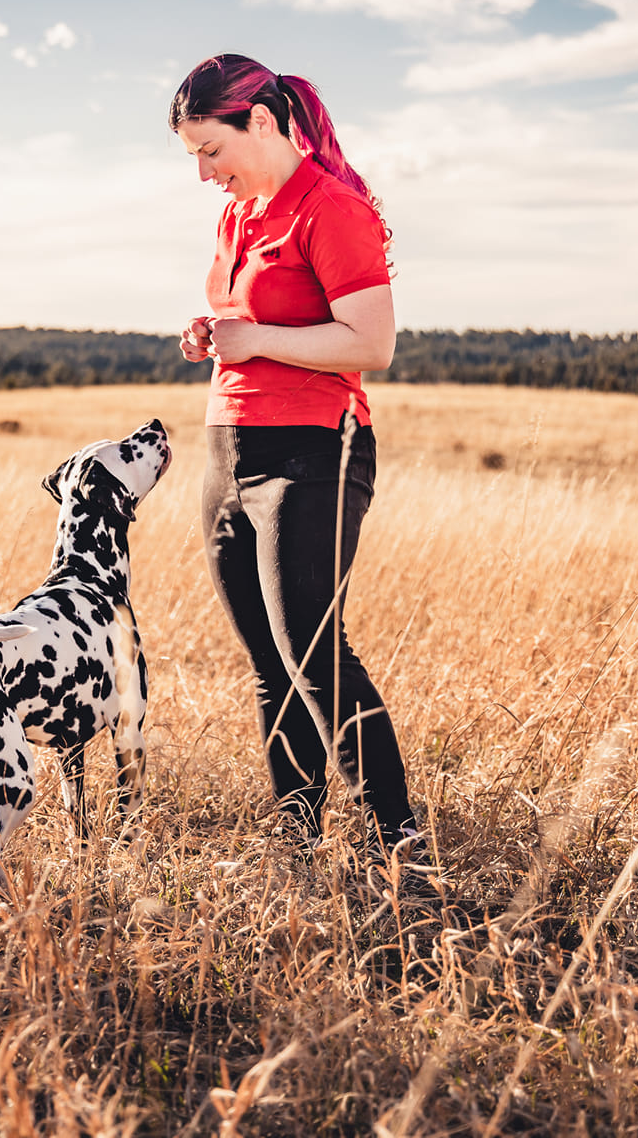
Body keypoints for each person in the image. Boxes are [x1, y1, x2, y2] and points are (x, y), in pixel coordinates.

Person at [169, 52, 424, 859]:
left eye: (213, 150)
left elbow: (373, 342)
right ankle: (298, 831)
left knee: (314, 655)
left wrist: (259, 338)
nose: (205, 173)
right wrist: (213, 335)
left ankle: (401, 845)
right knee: (267, 663)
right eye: (194, 158)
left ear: (265, 122)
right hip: (227, 449)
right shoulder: (239, 216)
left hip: (314, 453)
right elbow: (251, 321)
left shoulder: (331, 207)